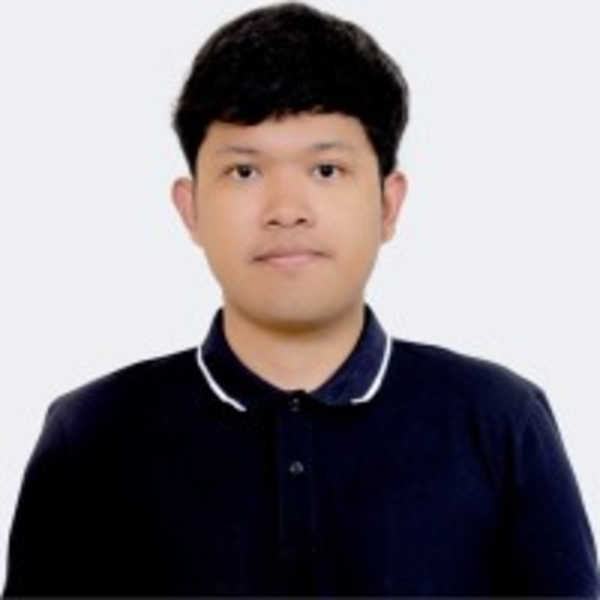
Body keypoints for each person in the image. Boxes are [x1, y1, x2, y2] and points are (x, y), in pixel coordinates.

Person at [3, 2, 598, 597]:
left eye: (327, 170)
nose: (286, 210)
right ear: (191, 208)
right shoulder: (91, 435)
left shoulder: (499, 422)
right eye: (244, 172)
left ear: (388, 204)